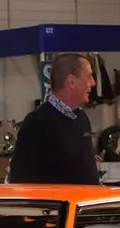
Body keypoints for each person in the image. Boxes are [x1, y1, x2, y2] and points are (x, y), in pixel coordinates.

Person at [7, 53, 100, 185]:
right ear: (71, 82)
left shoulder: (81, 118)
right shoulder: (37, 123)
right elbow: (20, 179)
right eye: (89, 76)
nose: (93, 83)